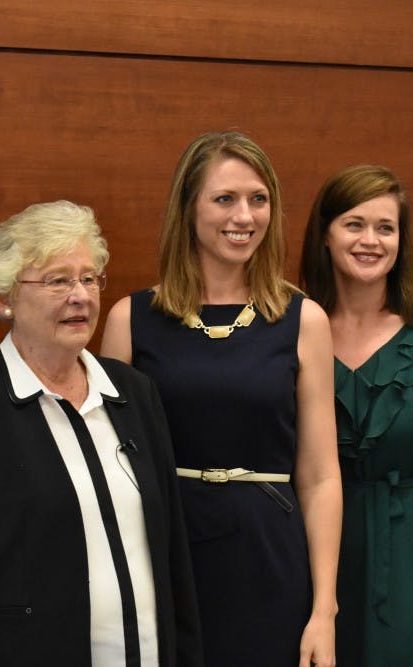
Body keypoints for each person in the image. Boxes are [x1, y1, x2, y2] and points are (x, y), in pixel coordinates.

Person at [0, 200, 202, 666]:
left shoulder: (132, 391)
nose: (81, 296)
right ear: (4, 298)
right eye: (57, 280)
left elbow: (172, 555)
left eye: (89, 278)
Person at [101, 131, 342, 667]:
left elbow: (321, 475)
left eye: (259, 199)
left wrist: (323, 610)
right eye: (225, 198)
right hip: (167, 554)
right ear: (188, 208)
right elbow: (114, 469)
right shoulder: (130, 320)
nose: (245, 215)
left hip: (269, 557)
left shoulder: (304, 320)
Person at [298, 164, 413, 667]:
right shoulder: (288, 325)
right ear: (325, 235)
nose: (370, 240)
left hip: (412, 557)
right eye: (354, 224)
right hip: (308, 553)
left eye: (386, 227)